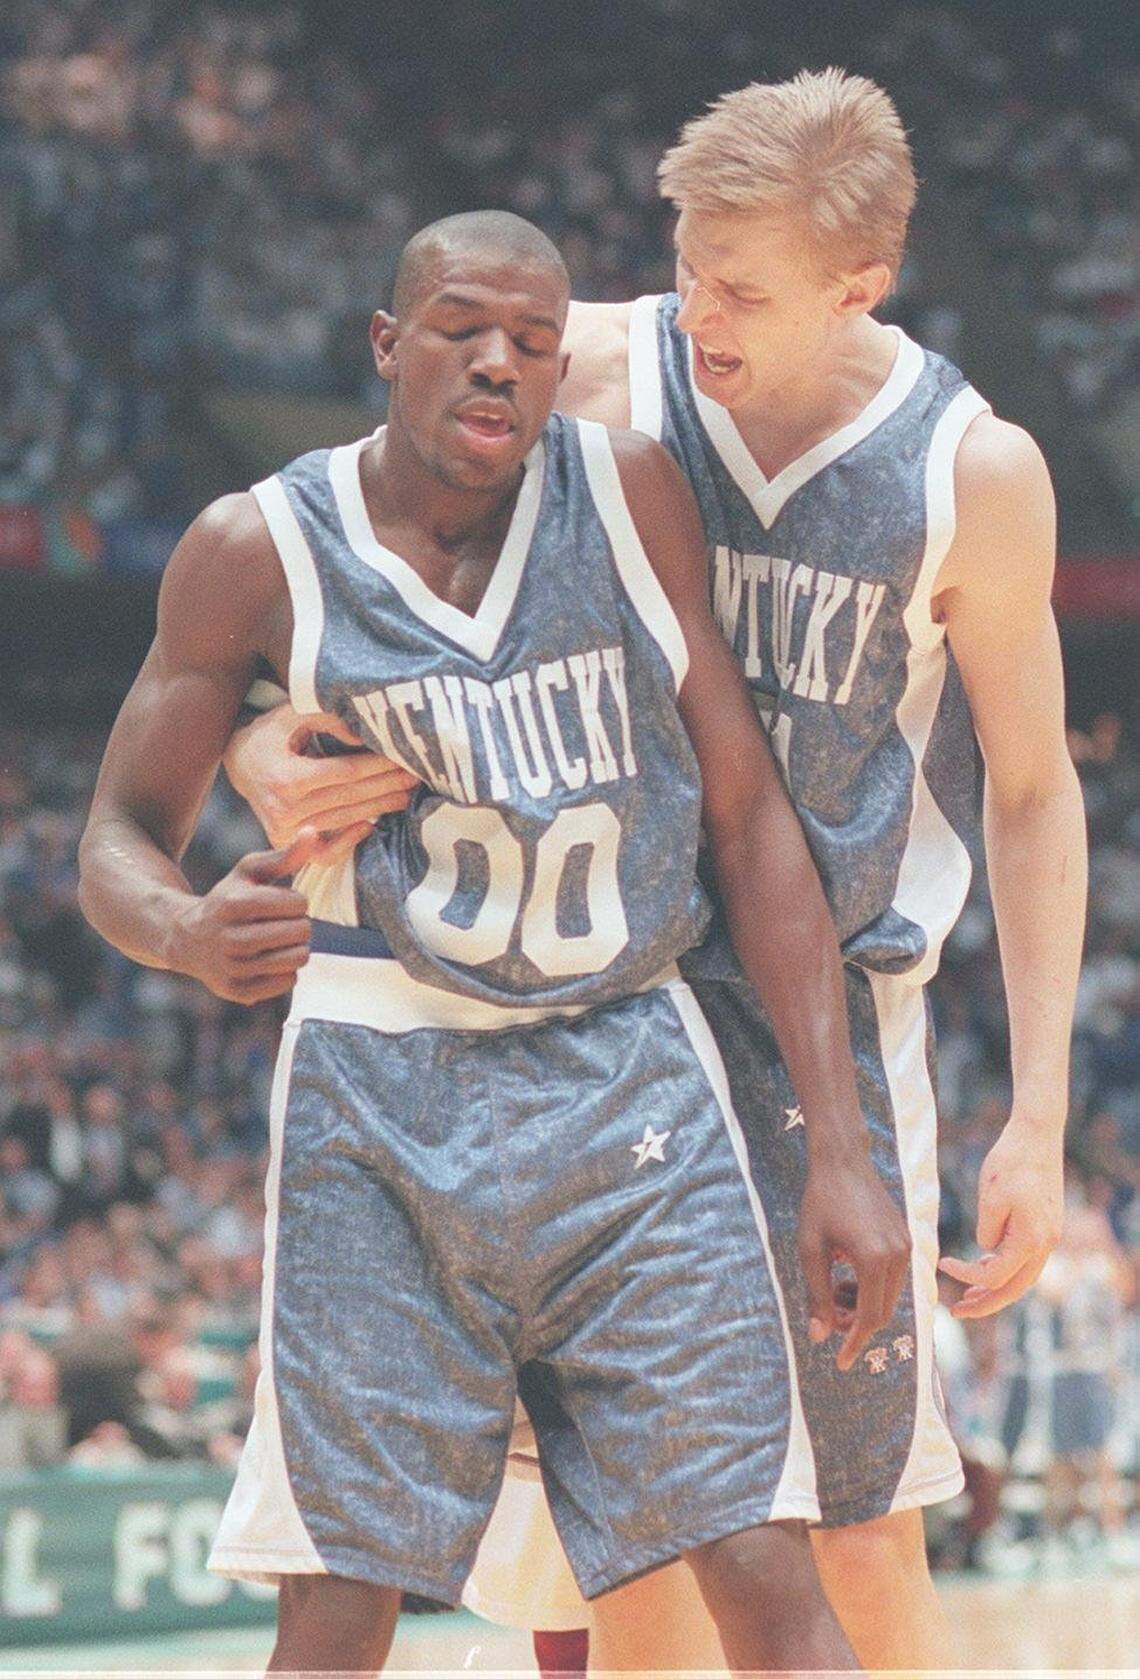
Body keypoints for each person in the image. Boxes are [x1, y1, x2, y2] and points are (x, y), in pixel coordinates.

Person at [228, 73, 1088, 1670]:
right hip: (606, 1014)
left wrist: (1037, 1119)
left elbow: (1034, 795)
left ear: (861, 287)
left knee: (866, 1537)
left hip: (833, 1024)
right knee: (640, 1575)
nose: (696, 308)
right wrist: (254, 741)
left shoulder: (976, 473)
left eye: (742, 287)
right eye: (685, 263)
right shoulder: (604, 367)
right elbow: (345, 562)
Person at [78, 209, 911, 1673]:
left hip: (627, 1071)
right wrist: (190, 933)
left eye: (534, 342)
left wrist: (838, 1145)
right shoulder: (254, 547)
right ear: (387, 345)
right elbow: (116, 843)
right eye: (462, 329)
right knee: (337, 1606)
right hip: (381, 1074)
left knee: (768, 1568)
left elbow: (751, 820)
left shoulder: (630, 491)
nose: (499, 365)